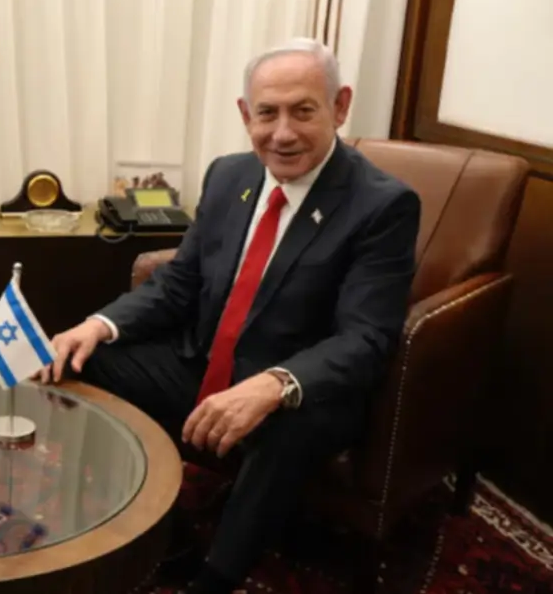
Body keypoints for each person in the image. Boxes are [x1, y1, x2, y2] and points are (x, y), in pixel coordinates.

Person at [42, 38, 421, 593]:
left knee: (288, 428)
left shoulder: (382, 205)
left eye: (303, 111)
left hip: (303, 391)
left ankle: (216, 578)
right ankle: (165, 534)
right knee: (86, 362)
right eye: (267, 113)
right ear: (246, 114)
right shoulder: (228, 175)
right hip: (209, 360)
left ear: (340, 107)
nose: (282, 133)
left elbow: (366, 338)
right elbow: (180, 281)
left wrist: (275, 384)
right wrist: (97, 325)